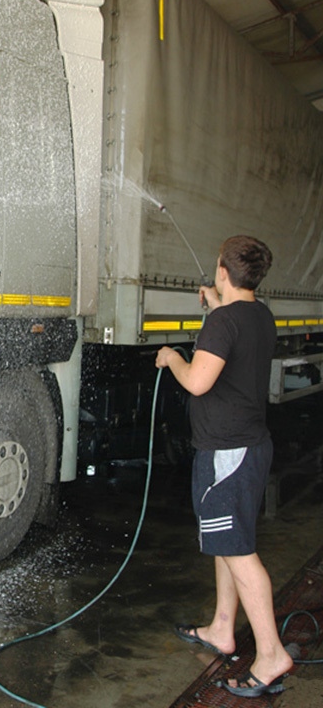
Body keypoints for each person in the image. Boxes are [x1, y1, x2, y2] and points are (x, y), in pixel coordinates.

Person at [155, 235, 292, 698]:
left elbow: (197, 381)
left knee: (237, 551)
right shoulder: (258, 314)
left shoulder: (224, 323)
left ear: (221, 271)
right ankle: (221, 628)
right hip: (250, 448)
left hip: (228, 456)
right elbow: (232, 334)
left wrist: (173, 356)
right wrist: (216, 306)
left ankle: (272, 654)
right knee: (226, 540)